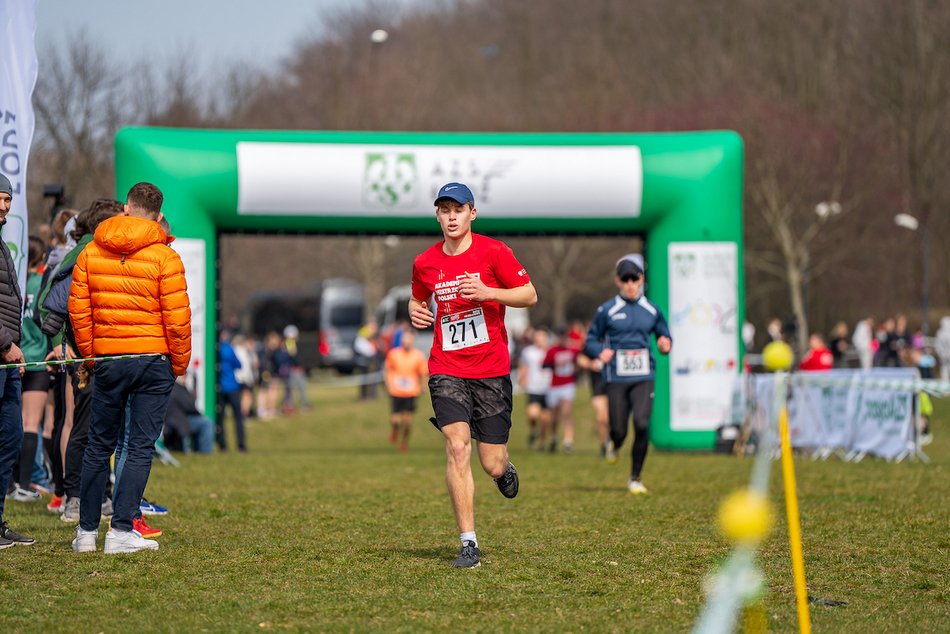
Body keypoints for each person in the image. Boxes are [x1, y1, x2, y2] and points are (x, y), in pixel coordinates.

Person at [409, 182, 537, 568]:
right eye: (444, 210)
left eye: (458, 209)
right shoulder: (424, 262)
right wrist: (414, 310)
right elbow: (417, 297)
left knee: (491, 462)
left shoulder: (494, 251)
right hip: (446, 368)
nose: (451, 216)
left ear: (472, 214)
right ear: (437, 215)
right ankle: (468, 543)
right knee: (457, 446)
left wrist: (489, 293)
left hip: (491, 370)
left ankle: (505, 469)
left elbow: (529, 294)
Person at [69, 182, 191, 554]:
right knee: (138, 447)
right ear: (158, 216)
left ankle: (86, 532)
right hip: (152, 361)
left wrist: (92, 356)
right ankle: (121, 531)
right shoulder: (165, 256)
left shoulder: (91, 252)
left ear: (126, 209)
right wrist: (179, 364)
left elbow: (79, 312)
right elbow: (178, 319)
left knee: (97, 445)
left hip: (109, 359)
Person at [584, 254, 671, 495]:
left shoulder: (652, 309)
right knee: (620, 429)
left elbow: (664, 334)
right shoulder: (607, 310)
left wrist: (665, 344)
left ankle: (635, 477)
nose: (631, 284)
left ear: (642, 279)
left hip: (644, 376)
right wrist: (600, 352)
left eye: (635, 279)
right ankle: (615, 442)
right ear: (618, 281)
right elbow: (590, 340)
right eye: (626, 279)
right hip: (616, 377)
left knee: (642, 424)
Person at [0, 173, 34, 548]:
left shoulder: (2, 245)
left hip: (8, 358)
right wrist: (6, 345)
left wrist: (15, 350)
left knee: (10, 437)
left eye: (9, 200)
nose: (5, 206)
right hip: (2, 352)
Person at [383, 329, 428, 452]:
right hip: (396, 391)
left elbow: (423, 373)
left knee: (407, 421)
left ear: (413, 341)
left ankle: (404, 442)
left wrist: (423, 385)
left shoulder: (418, 356)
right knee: (396, 420)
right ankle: (395, 430)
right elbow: (387, 369)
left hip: (411, 392)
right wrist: (387, 383)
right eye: (404, 340)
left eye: (409, 340)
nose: (406, 342)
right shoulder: (394, 354)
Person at [541, 327, 580, 454]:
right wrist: (555, 364)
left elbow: (580, 360)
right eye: (560, 337)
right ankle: (553, 437)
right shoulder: (552, 351)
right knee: (554, 416)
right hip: (554, 386)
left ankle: (568, 441)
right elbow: (544, 365)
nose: (563, 339)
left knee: (567, 412)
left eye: (565, 337)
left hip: (568, 385)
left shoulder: (573, 350)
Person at [517, 327, 551, 450]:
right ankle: (533, 430)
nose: (540, 340)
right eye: (538, 337)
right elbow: (523, 366)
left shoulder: (551, 351)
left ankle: (542, 443)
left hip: (548, 388)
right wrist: (522, 378)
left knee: (545, 420)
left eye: (542, 337)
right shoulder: (528, 352)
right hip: (533, 388)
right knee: (532, 414)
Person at [217, 330, 246, 451]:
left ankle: (223, 445)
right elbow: (239, 365)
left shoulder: (216, 350)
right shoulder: (229, 348)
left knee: (221, 418)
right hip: (233, 387)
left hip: (220, 388)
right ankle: (241, 444)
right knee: (238, 418)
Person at [936, 316, 950, 381]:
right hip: (944, 359)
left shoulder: (939, 333)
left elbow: (938, 346)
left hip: (944, 358)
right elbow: (938, 346)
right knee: (944, 375)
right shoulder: (940, 333)